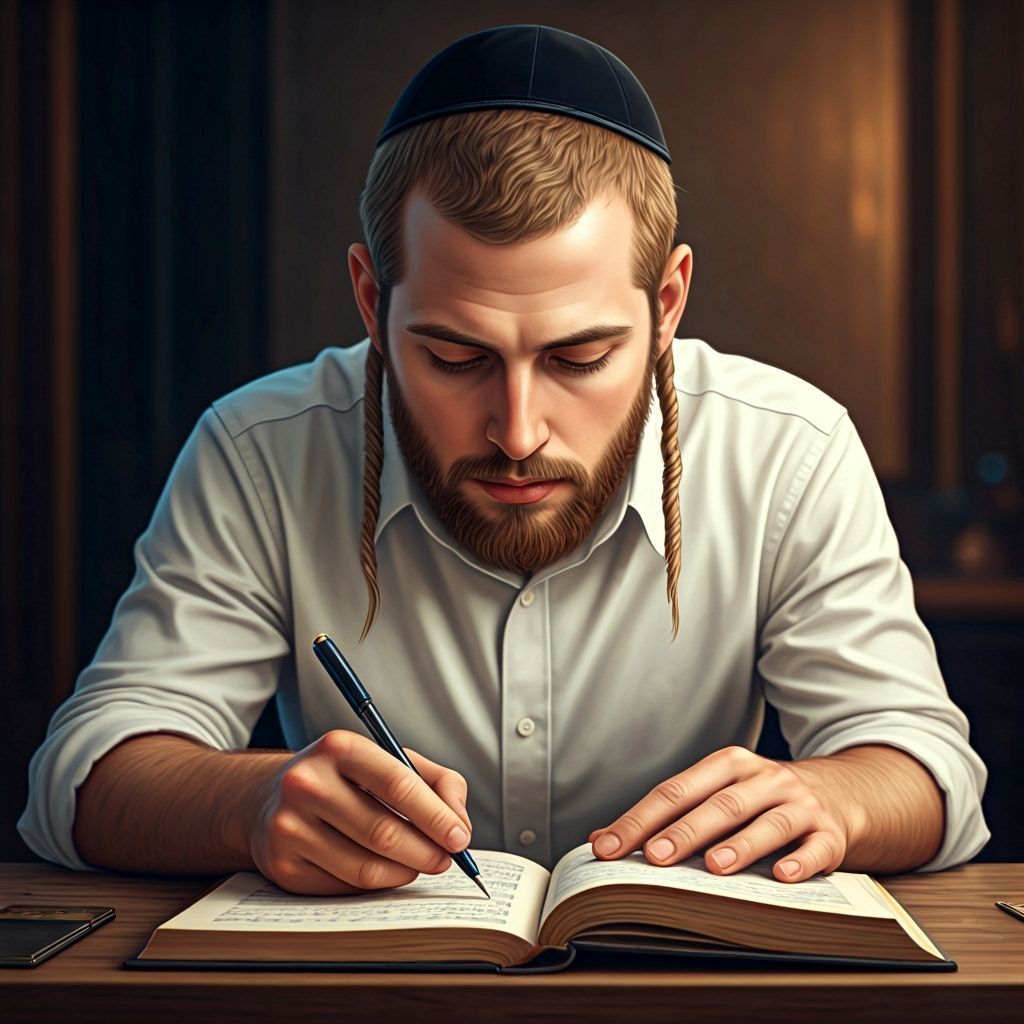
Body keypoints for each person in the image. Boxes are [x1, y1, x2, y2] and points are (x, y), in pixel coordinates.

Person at [20, 25, 988, 896]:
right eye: (453, 356)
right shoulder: (258, 451)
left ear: (667, 304)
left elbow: (925, 767)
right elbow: (86, 773)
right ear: (370, 301)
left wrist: (833, 797)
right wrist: (251, 800)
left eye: (578, 357)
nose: (517, 429)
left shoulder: (790, 452)